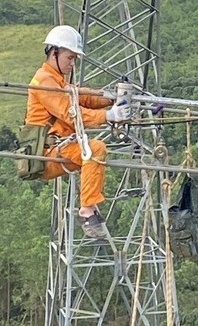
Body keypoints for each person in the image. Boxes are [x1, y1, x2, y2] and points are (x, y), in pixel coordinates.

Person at [26, 25, 130, 238]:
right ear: (54, 52)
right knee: (95, 149)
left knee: (91, 155)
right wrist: (109, 115)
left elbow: (81, 97)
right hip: (46, 154)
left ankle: (89, 205)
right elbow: (70, 112)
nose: (72, 63)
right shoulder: (44, 81)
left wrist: (109, 97)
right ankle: (87, 209)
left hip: (59, 149)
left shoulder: (58, 81)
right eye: (69, 57)